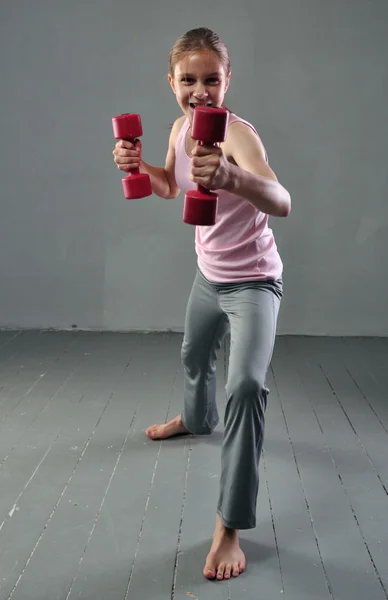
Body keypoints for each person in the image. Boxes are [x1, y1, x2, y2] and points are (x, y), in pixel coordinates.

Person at [113, 27, 291, 582]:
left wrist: (234, 176)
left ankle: (230, 527)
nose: (200, 91)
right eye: (188, 80)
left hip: (255, 282)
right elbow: (170, 186)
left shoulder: (237, 135)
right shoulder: (179, 127)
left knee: (244, 386)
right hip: (209, 277)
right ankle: (195, 418)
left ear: (227, 80)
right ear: (172, 83)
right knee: (194, 357)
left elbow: (281, 200)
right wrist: (138, 164)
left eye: (211, 79)